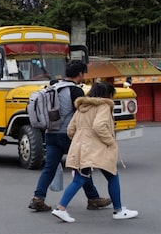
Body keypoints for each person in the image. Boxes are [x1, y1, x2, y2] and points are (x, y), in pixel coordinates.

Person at [28, 60, 111, 212]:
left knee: (50, 167)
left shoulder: (54, 87)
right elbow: (81, 114)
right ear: (80, 74)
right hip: (67, 134)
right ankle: (93, 198)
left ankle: (38, 197)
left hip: (50, 133)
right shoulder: (76, 91)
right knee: (83, 165)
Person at [51, 82, 138, 223]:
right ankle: (118, 210)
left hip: (81, 148)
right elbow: (99, 126)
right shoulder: (103, 106)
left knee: (81, 178)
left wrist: (81, 140)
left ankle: (61, 208)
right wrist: (110, 141)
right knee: (112, 175)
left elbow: (70, 130)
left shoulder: (81, 107)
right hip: (97, 149)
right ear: (107, 94)